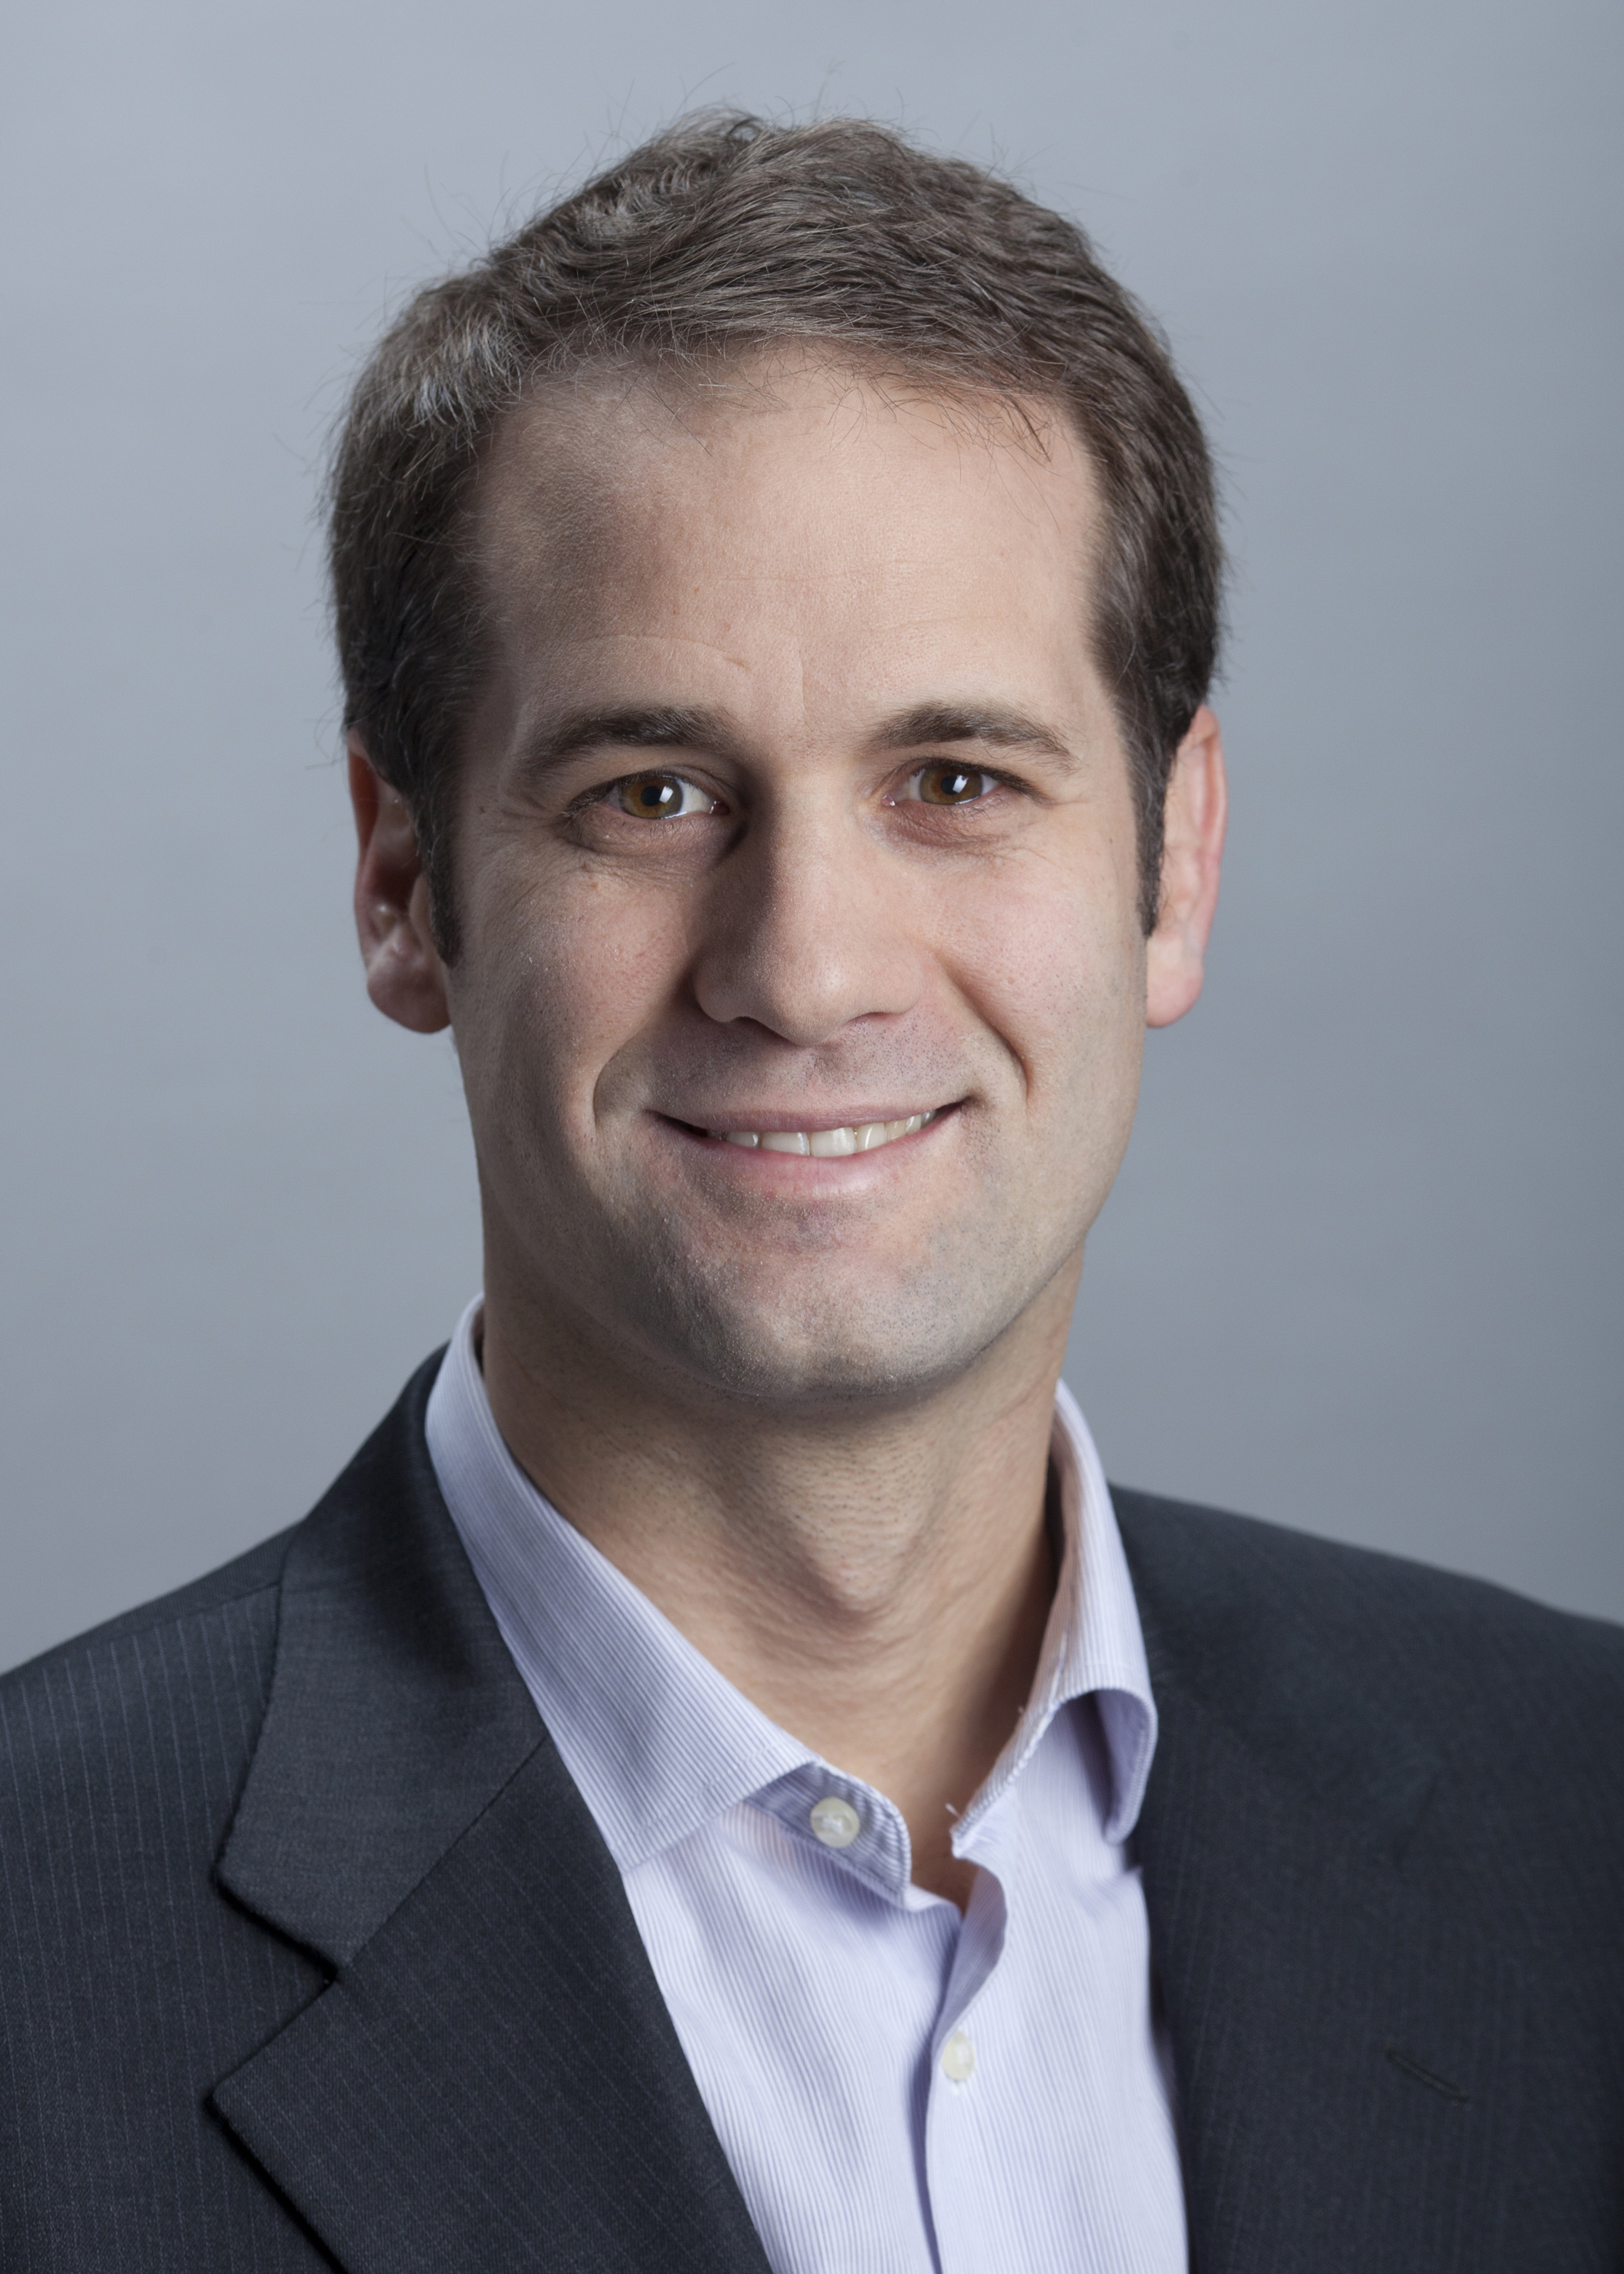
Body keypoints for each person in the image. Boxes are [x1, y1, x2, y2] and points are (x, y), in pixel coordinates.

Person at [1, 112, 1619, 2274]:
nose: (807, 969)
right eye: (652, 792)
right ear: (403, 884)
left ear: (1175, 860)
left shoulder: (1581, 1817)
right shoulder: (36, 1951)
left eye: (955, 779)